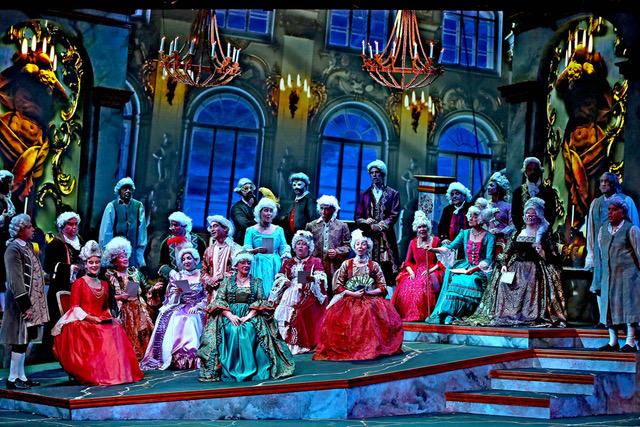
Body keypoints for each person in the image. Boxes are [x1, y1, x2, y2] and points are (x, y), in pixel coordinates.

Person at [51, 240, 143, 386]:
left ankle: (118, 372)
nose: (94, 265)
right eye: (91, 262)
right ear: (85, 264)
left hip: (100, 317)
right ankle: (100, 373)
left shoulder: (104, 284)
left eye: (97, 262)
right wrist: (91, 318)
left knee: (115, 327)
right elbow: (75, 308)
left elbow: (106, 306)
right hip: (82, 320)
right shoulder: (79, 283)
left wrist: (110, 316)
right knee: (98, 331)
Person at [198, 252, 295, 382]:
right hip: (230, 314)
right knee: (232, 330)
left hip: (251, 314)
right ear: (236, 265)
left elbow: (261, 301)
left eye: (248, 263)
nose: (246, 265)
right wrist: (230, 315)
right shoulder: (227, 281)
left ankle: (250, 369)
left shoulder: (257, 282)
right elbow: (219, 300)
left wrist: (247, 317)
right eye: (243, 262)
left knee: (248, 330)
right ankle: (232, 368)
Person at [313, 229, 404, 361]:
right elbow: (338, 286)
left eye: (363, 244)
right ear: (354, 246)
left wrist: (368, 292)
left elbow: (382, 287)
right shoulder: (347, 264)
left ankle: (370, 346)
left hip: (369, 298)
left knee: (368, 312)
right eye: (357, 244)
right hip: (350, 297)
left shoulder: (374, 265)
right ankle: (351, 346)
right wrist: (352, 293)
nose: (360, 247)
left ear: (368, 246)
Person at [489, 197, 566, 327]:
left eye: (533, 214)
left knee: (528, 283)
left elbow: (554, 255)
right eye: (527, 214)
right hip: (516, 267)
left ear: (538, 216)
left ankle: (528, 314)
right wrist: (504, 264)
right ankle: (508, 313)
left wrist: (542, 252)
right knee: (504, 283)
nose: (529, 217)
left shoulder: (544, 234)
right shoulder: (517, 233)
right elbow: (507, 251)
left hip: (535, 268)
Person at [0, 214, 48, 389]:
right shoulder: (13, 249)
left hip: (31, 300)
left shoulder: (28, 246)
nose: (33, 229)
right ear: (20, 230)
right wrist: (25, 305)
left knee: (26, 339)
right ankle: (13, 378)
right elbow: (15, 279)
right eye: (29, 227)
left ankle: (21, 376)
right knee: (18, 340)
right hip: (20, 303)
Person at [140, 247, 207, 370]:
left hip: (197, 307)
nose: (186, 261)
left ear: (195, 260)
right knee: (174, 317)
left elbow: (207, 296)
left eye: (189, 258)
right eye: (183, 259)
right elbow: (170, 299)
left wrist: (198, 306)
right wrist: (177, 294)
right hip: (181, 305)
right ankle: (176, 356)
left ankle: (191, 355)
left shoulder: (202, 276)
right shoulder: (178, 276)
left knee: (190, 319)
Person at [427, 206, 495, 325]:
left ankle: (457, 314)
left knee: (468, 281)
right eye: (470, 216)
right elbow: (451, 247)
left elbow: (488, 259)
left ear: (481, 219)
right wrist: (433, 249)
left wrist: (474, 269)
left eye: (474, 216)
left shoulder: (489, 237)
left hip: (480, 269)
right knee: (455, 280)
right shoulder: (464, 233)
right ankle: (446, 313)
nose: (470, 218)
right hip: (465, 266)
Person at [585, 172, 639, 323]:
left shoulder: (626, 201)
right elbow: (591, 230)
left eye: (607, 181)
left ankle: (625, 321)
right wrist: (590, 254)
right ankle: (604, 321)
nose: (603, 184)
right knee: (600, 283)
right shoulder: (596, 203)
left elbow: (633, 226)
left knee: (621, 286)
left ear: (614, 183)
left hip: (621, 252)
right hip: (601, 251)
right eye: (601, 181)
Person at [593, 196, 640, 352]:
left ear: (622, 212)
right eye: (609, 209)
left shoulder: (631, 229)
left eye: (614, 210)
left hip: (628, 276)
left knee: (629, 307)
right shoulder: (603, 230)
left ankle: (630, 341)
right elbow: (602, 252)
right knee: (608, 307)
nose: (610, 213)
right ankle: (613, 341)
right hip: (609, 276)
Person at [270, 230, 327, 354]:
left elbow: (321, 276)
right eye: (298, 244)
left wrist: (312, 279)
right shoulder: (289, 262)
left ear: (309, 247)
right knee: (280, 310)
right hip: (289, 291)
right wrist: (284, 280)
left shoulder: (314, 261)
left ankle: (298, 342)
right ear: (294, 247)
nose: (300, 246)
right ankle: (282, 341)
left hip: (308, 292)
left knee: (299, 312)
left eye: (304, 244)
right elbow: (280, 275)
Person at [102, 237, 154, 360]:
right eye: (121, 256)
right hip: (121, 309)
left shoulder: (135, 272)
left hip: (139, 308)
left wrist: (154, 288)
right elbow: (105, 297)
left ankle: (145, 354)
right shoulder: (109, 275)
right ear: (114, 260)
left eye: (126, 255)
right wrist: (120, 296)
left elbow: (147, 288)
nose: (125, 258)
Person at [355, 159, 401, 288]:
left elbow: (394, 214)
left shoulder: (393, 194)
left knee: (387, 267)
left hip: (386, 237)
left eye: (377, 172)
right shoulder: (364, 194)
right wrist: (366, 221)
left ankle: (385, 294)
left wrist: (380, 226)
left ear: (383, 174)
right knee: (368, 267)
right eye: (372, 173)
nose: (374, 175)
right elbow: (357, 217)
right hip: (369, 236)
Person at [43, 211, 84, 353]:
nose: (74, 227)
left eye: (76, 224)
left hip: (78, 286)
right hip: (59, 288)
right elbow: (48, 266)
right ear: (62, 226)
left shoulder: (80, 241)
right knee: (58, 319)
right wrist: (70, 268)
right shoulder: (55, 243)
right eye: (70, 224)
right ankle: (54, 351)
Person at [392, 211, 445, 321]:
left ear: (428, 227)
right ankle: (407, 314)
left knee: (423, 284)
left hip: (432, 269)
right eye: (419, 227)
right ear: (416, 229)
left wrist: (431, 270)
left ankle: (426, 315)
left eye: (424, 226)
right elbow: (407, 262)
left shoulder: (436, 241)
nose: (422, 229)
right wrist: (411, 272)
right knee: (407, 284)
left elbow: (441, 261)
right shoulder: (413, 243)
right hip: (416, 270)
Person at [305, 195, 351, 300]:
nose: (324, 212)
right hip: (314, 265)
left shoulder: (342, 226)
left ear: (333, 210)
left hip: (334, 265)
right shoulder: (311, 225)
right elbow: (305, 246)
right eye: (321, 208)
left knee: (333, 292)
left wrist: (337, 251)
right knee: (309, 290)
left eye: (327, 209)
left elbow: (348, 246)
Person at [243, 197, 291, 296]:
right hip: (257, 264)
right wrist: (255, 251)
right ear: (259, 212)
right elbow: (245, 250)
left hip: (274, 265)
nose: (269, 213)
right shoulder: (251, 230)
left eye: (271, 211)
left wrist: (285, 257)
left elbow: (284, 247)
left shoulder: (278, 230)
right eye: (266, 210)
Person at [98, 177, 147, 268]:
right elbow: (106, 232)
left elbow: (142, 233)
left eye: (130, 189)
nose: (127, 191)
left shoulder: (138, 206)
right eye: (125, 188)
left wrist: (140, 256)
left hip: (132, 254)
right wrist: (106, 255)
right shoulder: (112, 206)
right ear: (119, 190)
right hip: (116, 255)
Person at [201, 215, 241, 303]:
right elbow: (204, 270)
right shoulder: (209, 250)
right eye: (211, 227)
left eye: (215, 226)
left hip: (230, 292)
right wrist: (209, 280)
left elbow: (239, 271)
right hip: (212, 292)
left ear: (225, 228)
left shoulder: (235, 249)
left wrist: (220, 277)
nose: (212, 229)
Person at [157, 211, 207, 280]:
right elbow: (162, 264)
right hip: (174, 281)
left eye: (176, 225)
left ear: (184, 225)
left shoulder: (198, 241)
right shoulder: (166, 243)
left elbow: (204, 262)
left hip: (196, 280)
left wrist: (195, 273)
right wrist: (172, 273)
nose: (172, 228)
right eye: (171, 225)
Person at [511, 157, 558, 232]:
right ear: (525, 172)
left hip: (544, 233)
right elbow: (515, 215)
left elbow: (552, 214)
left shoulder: (549, 192)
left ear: (540, 171)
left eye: (535, 169)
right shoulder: (518, 192)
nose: (533, 172)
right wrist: (524, 231)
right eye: (529, 169)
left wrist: (543, 230)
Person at [280, 172, 319, 242]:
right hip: (293, 237)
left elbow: (313, 219)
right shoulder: (296, 200)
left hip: (304, 238)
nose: (296, 187)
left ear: (305, 185)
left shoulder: (309, 199)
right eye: (294, 185)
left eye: (299, 184)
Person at [485, 171, 515, 254]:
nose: (488, 187)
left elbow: (512, 226)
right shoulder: (485, 205)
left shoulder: (508, 206)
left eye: (491, 185)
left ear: (499, 187)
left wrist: (500, 231)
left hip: (502, 242)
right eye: (488, 185)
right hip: (486, 241)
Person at [0, 170, 16, 311]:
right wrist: (3, 218)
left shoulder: (7, 199)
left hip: (6, 240)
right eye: (9, 182)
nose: (11, 185)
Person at [230, 178, 257, 245]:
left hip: (258, 241)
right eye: (246, 188)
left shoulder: (257, 205)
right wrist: (262, 222)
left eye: (251, 188)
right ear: (240, 191)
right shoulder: (236, 208)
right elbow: (245, 225)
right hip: (242, 242)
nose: (249, 191)